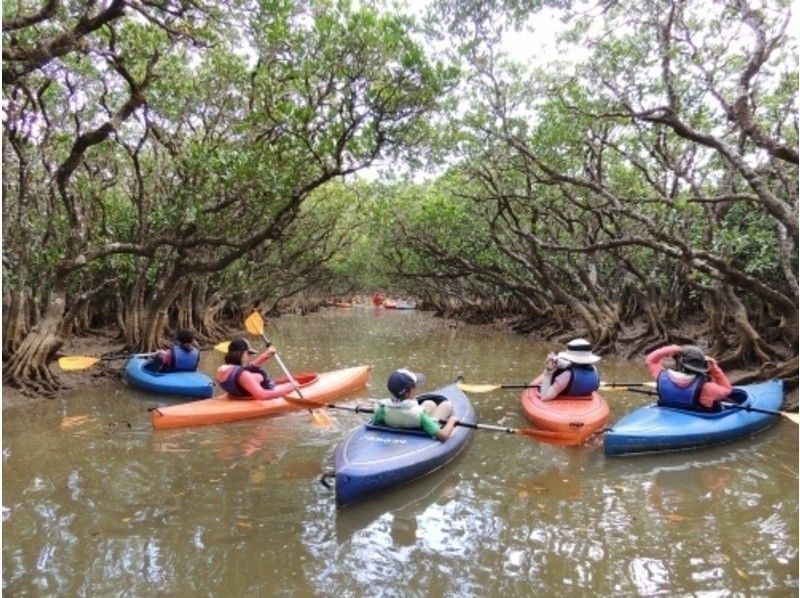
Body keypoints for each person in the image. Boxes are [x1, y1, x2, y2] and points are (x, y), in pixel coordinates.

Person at [371, 369, 459, 441]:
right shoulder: (419, 415)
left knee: (429, 403)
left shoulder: (381, 408)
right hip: (419, 424)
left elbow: (377, 422)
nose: (416, 388)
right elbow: (443, 436)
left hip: (404, 418)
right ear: (409, 392)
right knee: (446, 405)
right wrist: (451, 421)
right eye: (415, 386)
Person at [646, 344, 732, 411]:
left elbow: (651, 360)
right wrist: (714, 366)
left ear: (680, 363)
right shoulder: (708, 387)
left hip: (670, 413)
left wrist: (674, 348)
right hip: (697, 420)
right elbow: (727, 389)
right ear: (701, 367)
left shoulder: (662, 378)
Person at [215, 338, 295, 400]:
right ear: (242, 354)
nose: (248, 357)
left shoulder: (222, 370)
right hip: (258, 395)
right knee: (293, 383)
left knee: (257, 375)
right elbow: (262, 395)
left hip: (238, 397)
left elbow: (249, 367)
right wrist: (288, 389)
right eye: (248, 353)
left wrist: (267, 354)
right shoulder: (244, 375)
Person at [532, 338, 602, 400]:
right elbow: (575, 368)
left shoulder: (567, 375)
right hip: (584, 398)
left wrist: (548, 371)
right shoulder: (595, 370)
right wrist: (560, 363)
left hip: (565, 399)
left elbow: (544, 397)